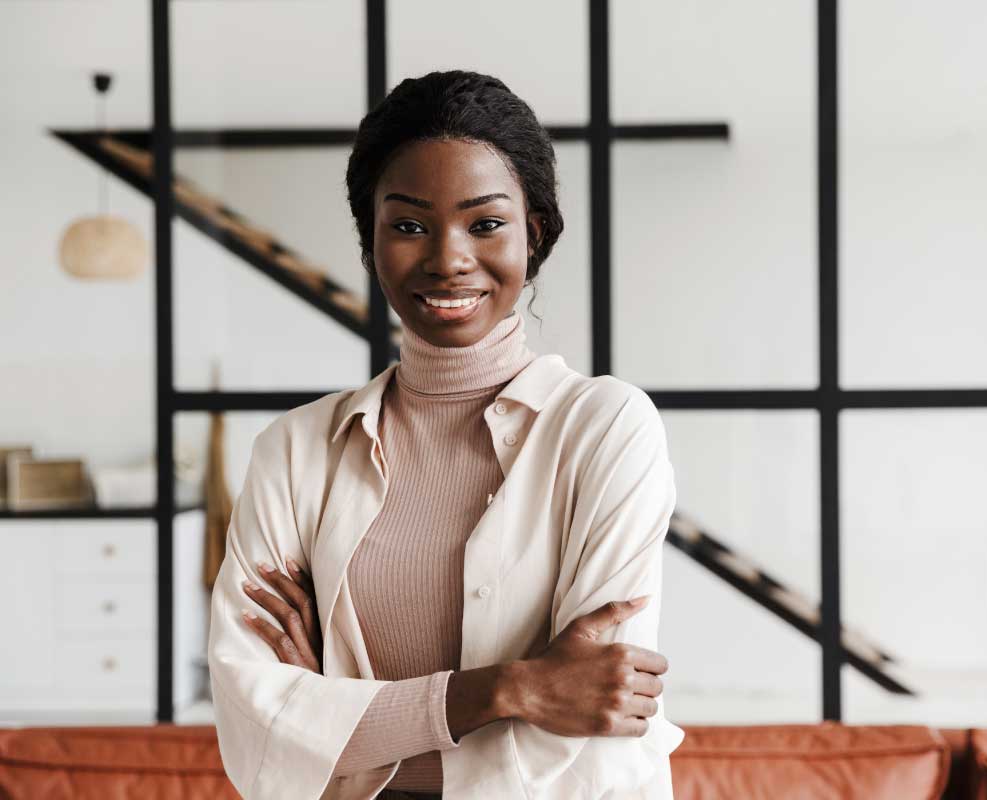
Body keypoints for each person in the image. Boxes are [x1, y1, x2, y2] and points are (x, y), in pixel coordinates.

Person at [207, 69, 685, 800]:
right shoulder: (294, 450)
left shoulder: (605, 427)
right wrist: (510, 689)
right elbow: (254, 728)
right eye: (407, 224)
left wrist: (336, 718)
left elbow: (593, 712)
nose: (447, 257)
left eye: (485, 223)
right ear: (370, 242)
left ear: (537, 232)